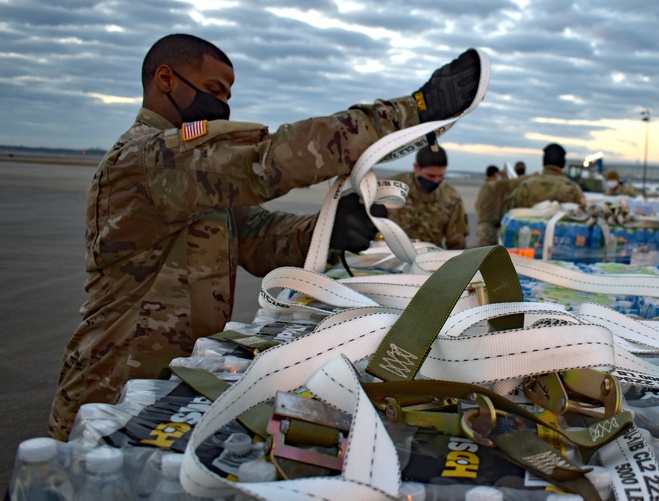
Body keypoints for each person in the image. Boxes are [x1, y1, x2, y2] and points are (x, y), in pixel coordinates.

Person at [48, 33, 481, 440]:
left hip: (172, 385)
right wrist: (415, 110)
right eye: (213, 89)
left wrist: (325, 230)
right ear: (165, 80)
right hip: (113, 388)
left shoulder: (190, 177)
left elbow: (255, 238)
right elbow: (265, 161)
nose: (222, 105)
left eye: (228, 95)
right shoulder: (147, 161)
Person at [387, 145, 468, 249]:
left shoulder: (451, 198)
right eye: (431, 176)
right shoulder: (390, 188)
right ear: (416, 167)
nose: (436, 181)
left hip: (429, 259)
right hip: (389, 255)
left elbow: (456, 241)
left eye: (441, 176)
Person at [509, 143, 585, 208]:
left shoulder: (526, 186)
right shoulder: (573, 189)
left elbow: (511, 212)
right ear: (563, 162)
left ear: (543, 161)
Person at [475, 165, 506, 247]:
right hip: (488, 228)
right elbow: (508, 184)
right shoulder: (492, 185)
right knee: (486, 252)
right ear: (495, 174)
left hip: (485, 226)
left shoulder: (486, 186)